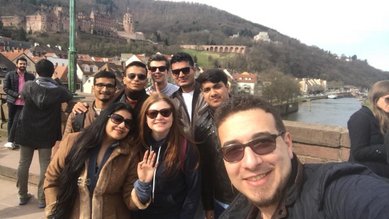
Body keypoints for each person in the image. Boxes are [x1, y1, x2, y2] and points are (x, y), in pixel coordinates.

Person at [215, 94, 389, 219]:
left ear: (288, 144)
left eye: (263, 143)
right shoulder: (234, 213)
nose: (251, 162)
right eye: (233, 151)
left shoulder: (334, 189)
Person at [44, 102, 139, 218]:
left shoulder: (129, 154)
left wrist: (143, 186)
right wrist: (54, 210)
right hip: (72, 213)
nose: (122, 125)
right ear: (106, 118)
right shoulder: (73, 141)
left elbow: (129, 198)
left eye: (128, 123)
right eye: (117, 119)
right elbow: (51, 178)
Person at [131, 93, 200, 219]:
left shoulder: (186, 147)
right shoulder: (137, 145)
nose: (159, 117)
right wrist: (142, 183)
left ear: (173, 115)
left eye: (165, 112)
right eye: (153, 113)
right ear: (145, 117)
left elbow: (193, 191)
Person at [14, 59, 72, 208]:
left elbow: (21, 95)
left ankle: (22, 195)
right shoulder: (58, 90)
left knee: (23, 163)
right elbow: (69, 97)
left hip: (26, 129)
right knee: (45, 165)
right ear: (52, 72)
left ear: (37, 72)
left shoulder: (28, 86)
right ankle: (42, 198)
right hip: (47, 130)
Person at [195, 69, 236, 219]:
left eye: (217, 86)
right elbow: (204, 169)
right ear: (203, 94)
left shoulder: (246, 113)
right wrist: (208, 205)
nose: (213, 93)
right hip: (222, 199)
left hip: (252, 196)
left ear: (227, 87)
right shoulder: (201, 126)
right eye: (207, 90)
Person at [348, 80, 389, 178]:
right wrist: (386, 150)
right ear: (376, 99)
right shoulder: (360, 117)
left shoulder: (384, 115)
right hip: (365, 176)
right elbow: (358, 152)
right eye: (388, 99)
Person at [63, 70, 117, 137]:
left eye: (109, 86)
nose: (104, 89)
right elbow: (66, 143)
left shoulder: (120, 115)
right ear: (93, 88)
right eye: (100, 85)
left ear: (115, 90)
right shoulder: (79, 113)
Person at [170, 52, 207, 136]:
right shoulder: (172, 100)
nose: (181, 75)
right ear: (172, 75)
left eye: (185, 70)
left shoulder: (207, 93)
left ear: (194, 70)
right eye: (176, 72)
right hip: (185, 147)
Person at [3, 57, 35, 149]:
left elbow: (33, 88)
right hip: (12, 101)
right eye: (20, 64)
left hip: (24, 103)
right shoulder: (10, 75)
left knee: (17, 121)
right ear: (17, 64)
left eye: (24, 64)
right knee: (11, 120)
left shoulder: (30, 76)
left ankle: (12, 140)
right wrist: (17, 95)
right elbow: (6, 88)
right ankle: (11, 140)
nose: (22, 65)